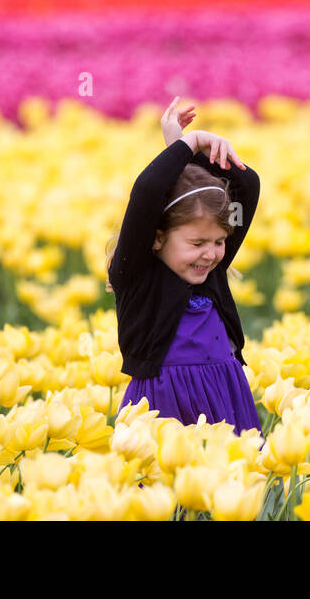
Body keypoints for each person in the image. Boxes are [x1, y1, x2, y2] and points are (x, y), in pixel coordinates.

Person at [105, 96, 262, 435]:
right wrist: (187, 144)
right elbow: (147, 192)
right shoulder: (136, 278)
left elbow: (247, 185)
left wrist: (196, 153)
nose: (210, 254)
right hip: (163, 408)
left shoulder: (209, 275)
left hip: (225, 400)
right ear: (157, 237)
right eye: (197, 243)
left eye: (219, 242)